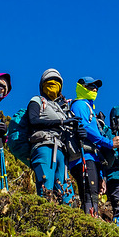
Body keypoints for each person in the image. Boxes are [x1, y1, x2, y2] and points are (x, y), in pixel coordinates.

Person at [68, 77, 119, 215]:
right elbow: (84, 127)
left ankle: (90, 219)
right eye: (91, 86)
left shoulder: (88, 107)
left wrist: (101, 176)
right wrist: (109, 143)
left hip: (91, 157)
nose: (95, 89)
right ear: (81, 87)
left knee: (92, 193)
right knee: (89, 193)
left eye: (96, 87)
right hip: (83, 156)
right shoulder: (80, 105)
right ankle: (89, 221)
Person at [28, 69, 76, 200]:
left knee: (66, 193)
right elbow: (33, 120)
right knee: (45, 186)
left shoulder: (61, 108)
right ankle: (43, 212)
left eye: (57, 81)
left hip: (61, 150)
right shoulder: (37, 100)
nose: (53, 83)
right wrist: (61, 122)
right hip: (44, 145)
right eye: (50, 80)